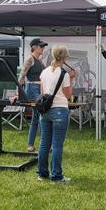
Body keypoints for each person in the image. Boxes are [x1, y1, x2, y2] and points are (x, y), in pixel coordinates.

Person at [38, 45, 76, 183]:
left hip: (46, 110)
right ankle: (56, 175)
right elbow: (68, 95)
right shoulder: (64, 74)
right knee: (57, 145)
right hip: (60, 109)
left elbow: (43, 92)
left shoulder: (45, 72)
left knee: (44, 144)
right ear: (64, 58)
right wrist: (71, 79)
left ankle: (42, 174)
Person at [18, 38, 48, 152]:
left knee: (36, 118)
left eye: (43, 46)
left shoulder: (40, 61)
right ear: (34, 47)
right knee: (41, 116)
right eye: (41, 46)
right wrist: (18, 93)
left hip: (39, 89)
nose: (43, 48)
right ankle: (43, 145)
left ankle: (31, 145)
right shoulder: (30, 59)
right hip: (32, 89)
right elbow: (21, 76)